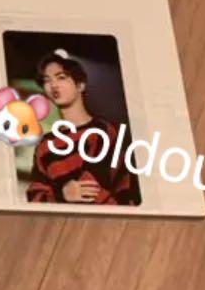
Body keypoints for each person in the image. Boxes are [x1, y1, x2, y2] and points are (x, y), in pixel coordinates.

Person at [27, 52, 137, 205]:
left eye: (61, 77)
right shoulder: (45, 145)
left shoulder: (106, 131)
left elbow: (91, 188)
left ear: (80, 85)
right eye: (47, 80)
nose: (53, 85)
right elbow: (35, 197)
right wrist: (62, 193)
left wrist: (57, 194)